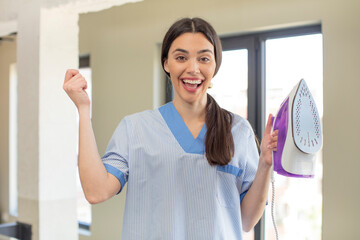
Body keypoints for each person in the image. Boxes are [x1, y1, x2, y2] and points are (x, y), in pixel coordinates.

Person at [63, 17, 278, 240]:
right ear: (166, 63)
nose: (193, 69)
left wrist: (264, 164)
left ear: (215, 65)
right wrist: (83, 109)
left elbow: (246, 221)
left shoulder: (238, 131)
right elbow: (96, 191)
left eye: (204, 58)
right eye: (181, 57)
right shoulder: (135, 129)